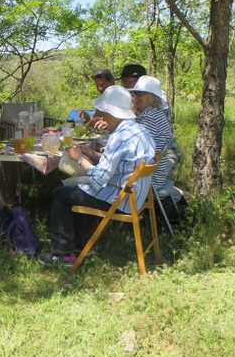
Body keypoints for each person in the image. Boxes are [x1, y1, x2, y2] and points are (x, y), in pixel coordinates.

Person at [38, 86, 156, 267]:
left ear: (111, 113)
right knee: (73, 190)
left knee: (62, 194)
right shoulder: (141, 131)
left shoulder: (120, 137)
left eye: (104, 113)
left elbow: (99, 178)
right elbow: (121, 164)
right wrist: (92, 156)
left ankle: (63, 254)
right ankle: (82, 246)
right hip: (136, 197)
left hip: (120, 200)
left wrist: (80, 159)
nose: (102, 117)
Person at [129, 75, 186, 212]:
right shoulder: (150, 114)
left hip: (150, 180)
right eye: (135, 93)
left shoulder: (151, 116)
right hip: (154, 174)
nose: (136, 97)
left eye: (141, 93)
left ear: (152, 97)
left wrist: (130, 115)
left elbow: (134, 147)